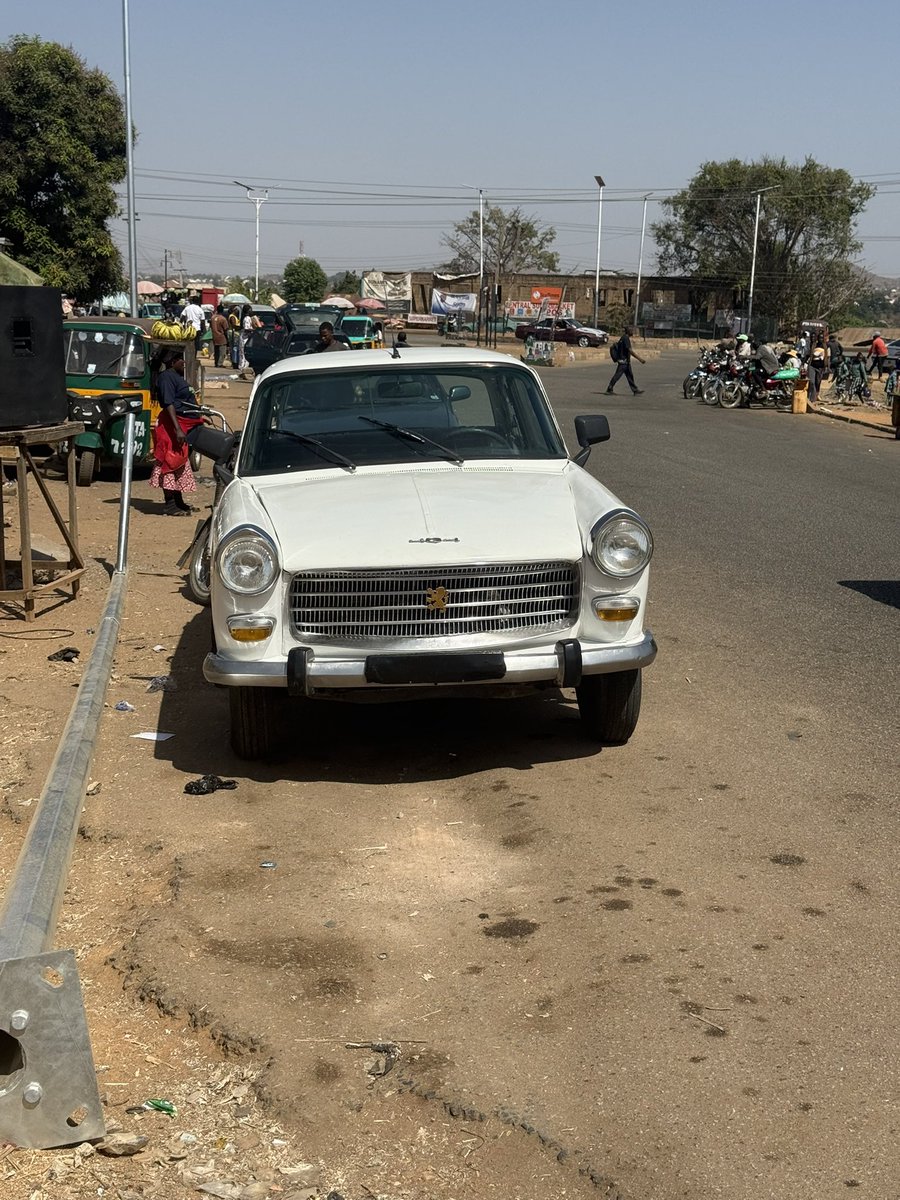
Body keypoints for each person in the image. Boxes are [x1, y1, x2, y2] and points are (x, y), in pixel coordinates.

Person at [150, 351, 206, 516]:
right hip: (172, 426)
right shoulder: (167, 377)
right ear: (173, 361)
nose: (184, 363)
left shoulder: (177, 376)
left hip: (185, 423)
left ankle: (178, 502)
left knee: (179, 462)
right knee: (170, 462)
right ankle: (170, 504)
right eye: (182, 360)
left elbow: (184, 401)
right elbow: (169, 404)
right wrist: (177, 429)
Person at [605, 326, 645, 395]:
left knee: (630, 376)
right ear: (628, 331)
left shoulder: (623, 337)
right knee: (617, 375)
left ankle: (635, 390)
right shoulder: (625, 338)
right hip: (623, 362)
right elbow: (630, 350)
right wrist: (639, 359)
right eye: (631, 330)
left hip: (625, 361)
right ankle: (609, 389)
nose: (632, 332)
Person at [807, 337, 826, 404]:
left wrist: (827, 367)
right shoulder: (814, 345)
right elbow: (810, 355)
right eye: (820, 338)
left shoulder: (826, 347)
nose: (821, 339)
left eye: (822, 338)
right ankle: (810, 398)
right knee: (812, 382)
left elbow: (827, 357)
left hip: (820, 367)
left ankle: (814, 397)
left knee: (817, 383)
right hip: (812, 366)